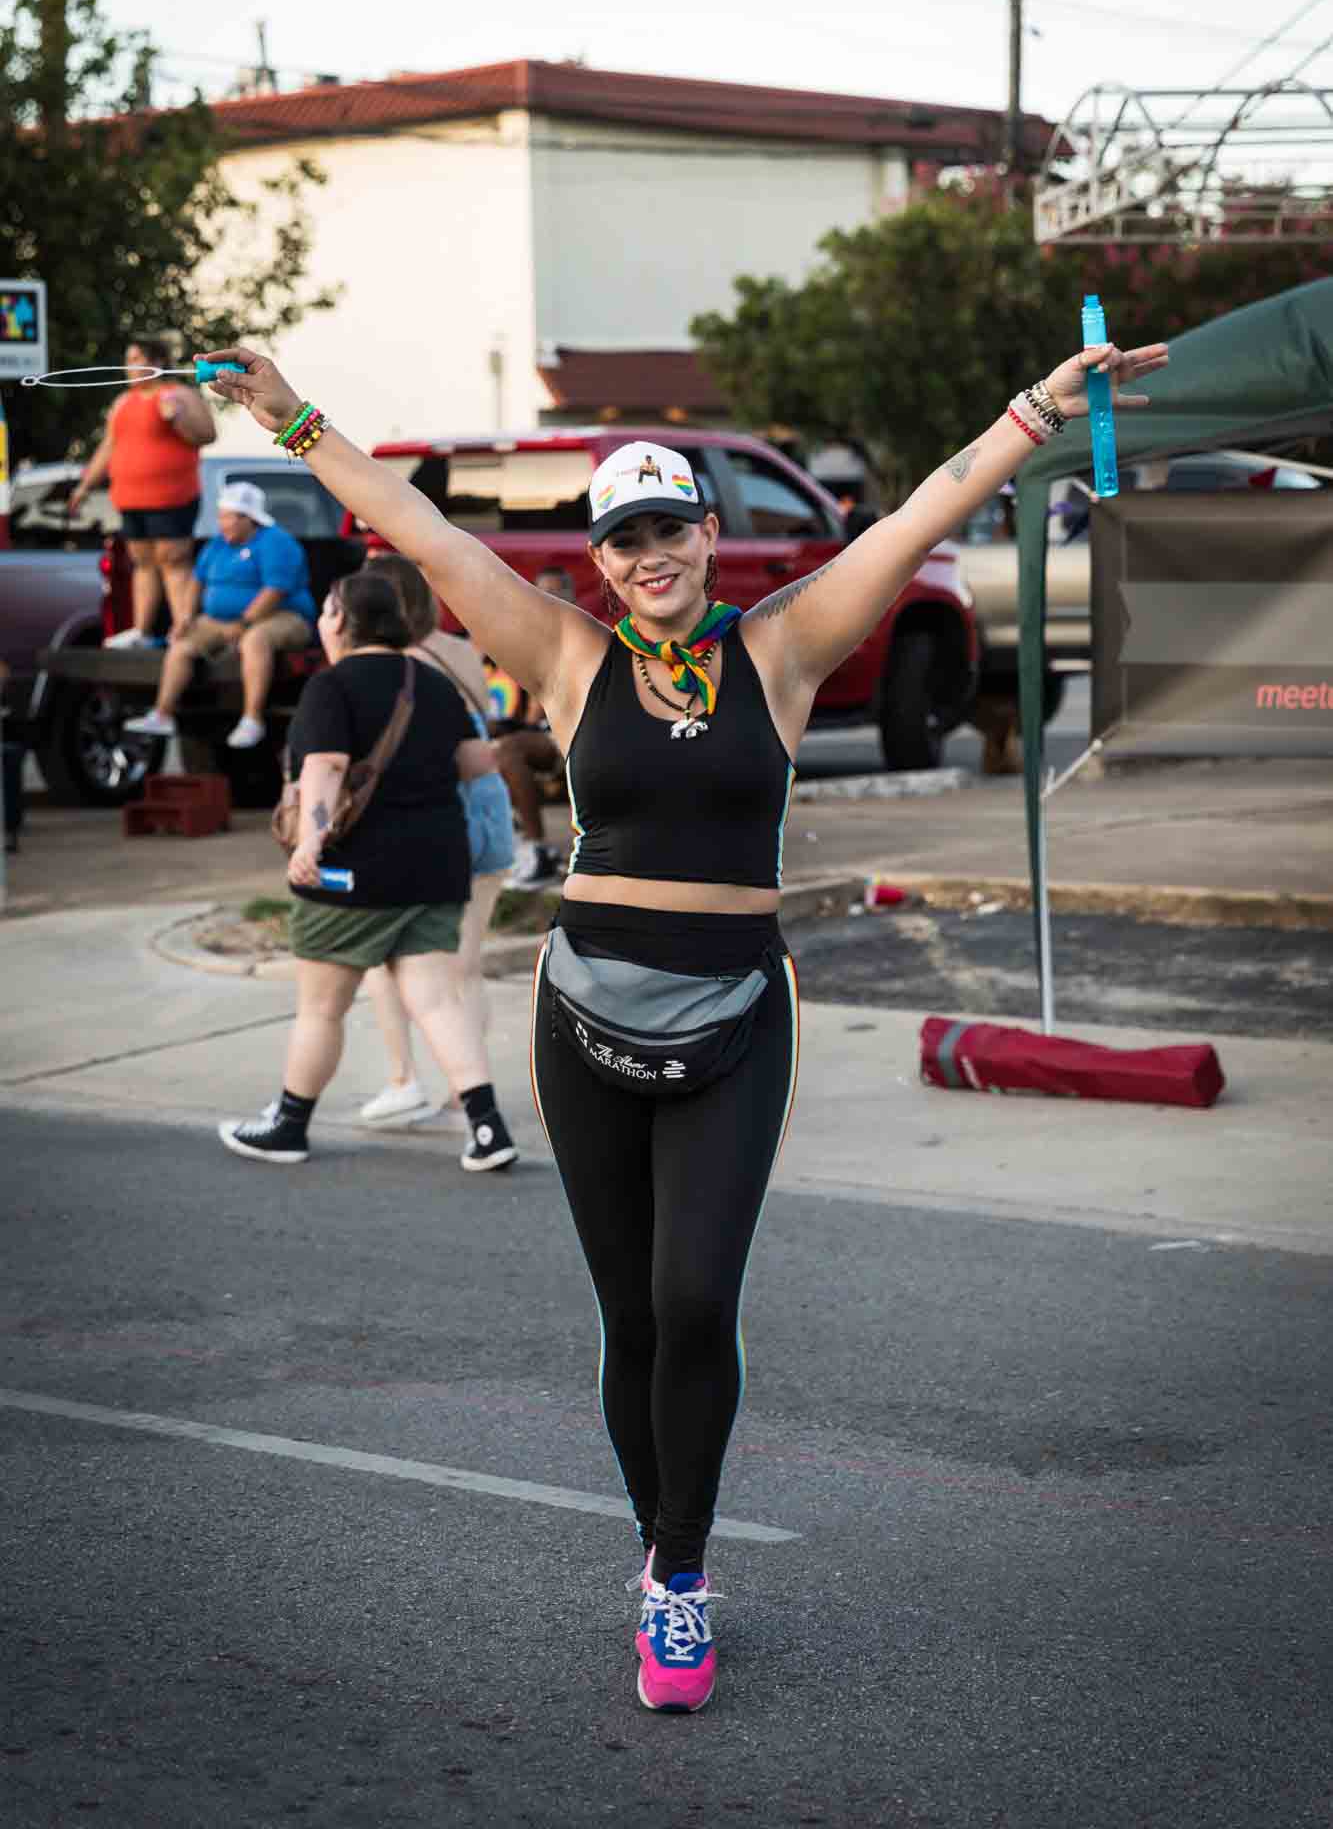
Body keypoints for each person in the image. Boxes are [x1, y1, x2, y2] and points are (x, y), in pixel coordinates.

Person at [201, 334, 1168, 1713]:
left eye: (669, 529)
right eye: (623, 537)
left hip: (735, 1016)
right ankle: (661, 1544)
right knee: (630, 1319)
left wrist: (1033, 412)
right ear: (598, 557)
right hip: (582, 1005)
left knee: (696, 1295)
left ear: (709, 537)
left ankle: (680, 1570)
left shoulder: (778, 653)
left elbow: (914, 519)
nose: (648, 554)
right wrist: (290, 415)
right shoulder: (561, 652)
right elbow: (411, 524)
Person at [217, 567, 518, 1172]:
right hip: (435, 866)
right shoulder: (431, 684)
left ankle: (289, 1125)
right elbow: (475, 763)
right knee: (435, 1001)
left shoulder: (333, 687)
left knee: (322, 1008)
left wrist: (311, 841)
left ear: (344, 621)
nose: (324, 619)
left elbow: (324, 769)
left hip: (354, 873)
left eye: (329, 609)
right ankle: (486, 1128)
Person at [357, 551, 516, 1130]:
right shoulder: (459, 649)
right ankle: (465, 1090)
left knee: (382, 955)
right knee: (464, 966)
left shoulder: (399, 662)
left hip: (443, 813)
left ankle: (404, 1080)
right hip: (492, 806)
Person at [123, 482, 317, 751]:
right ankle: (162, 714)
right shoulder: (218, 545)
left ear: (248, 518)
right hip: (221, 620)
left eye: (227, 517)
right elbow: (196, 582)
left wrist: (244, 623)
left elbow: (275, 591)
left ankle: (252, 719)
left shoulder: (276, 542)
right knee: (182, 645)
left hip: (282, 616)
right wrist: (185, 620)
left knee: (255, 640)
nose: (221, 523)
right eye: (221, 516)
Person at [68, 336, 215, 647]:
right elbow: (108, 448)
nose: (130, 366)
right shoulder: (123, 403)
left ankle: (184, 631)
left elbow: (206, 434)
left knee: (174, 560)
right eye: (128, 359)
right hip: (131, 499)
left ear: (156, 362)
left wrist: (178, 418)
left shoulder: (179, 394)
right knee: (143, 562)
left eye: (136, 358)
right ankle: (142, 632)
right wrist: (84, 487)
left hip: (173, 497)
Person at [495, 563, 576, 887]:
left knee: (508, 750)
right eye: (544, 591)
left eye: (558, 591)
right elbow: (529, 712)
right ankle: (521, 847)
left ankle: (537, 850)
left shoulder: (585, 634)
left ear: (573, 595)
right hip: (545, 735)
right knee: (487, 747)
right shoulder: (527, 640)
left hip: (577, 732)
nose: (551, 598)